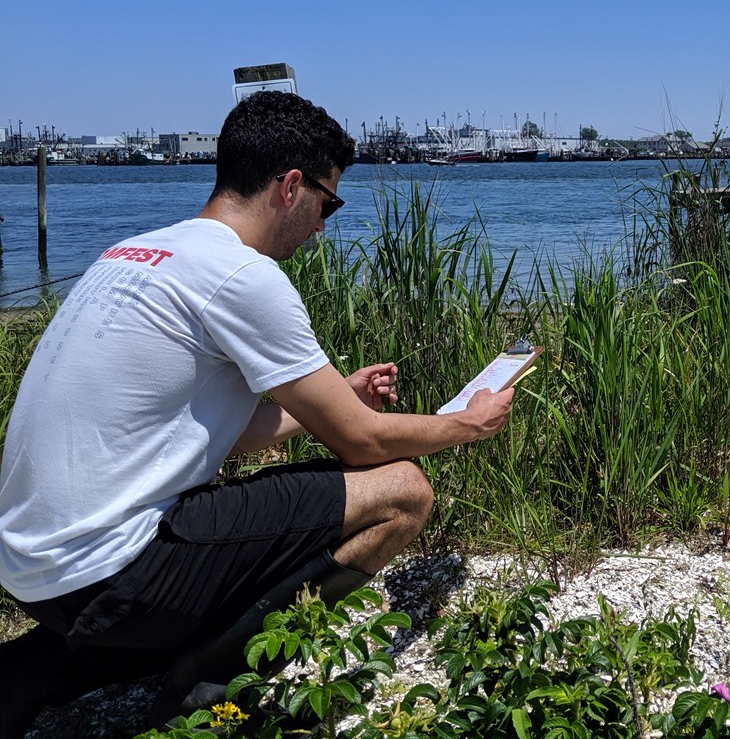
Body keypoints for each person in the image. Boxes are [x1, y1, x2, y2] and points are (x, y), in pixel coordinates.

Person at [0, 91, 514, 735]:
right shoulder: (241, 275)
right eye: (330, 202)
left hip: (31, 568)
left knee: (237, 530)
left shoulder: (137, 253)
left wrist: (329, 401)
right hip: (110, 574)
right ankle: (207, 692)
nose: (325, 225)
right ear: (291, 187)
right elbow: (364, 446)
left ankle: (33, 671)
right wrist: (467, 422)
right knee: (402, 492)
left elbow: (228, 435)